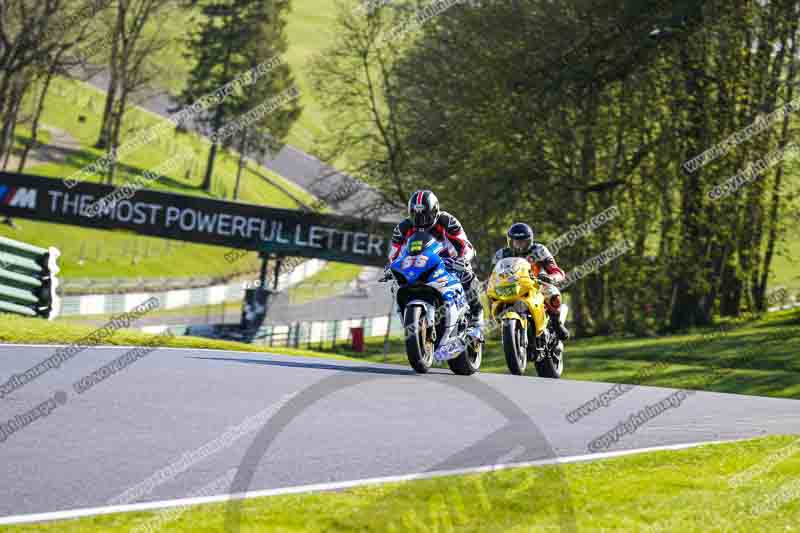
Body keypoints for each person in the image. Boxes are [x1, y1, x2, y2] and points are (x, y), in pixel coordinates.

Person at [386, 190, 484, 340]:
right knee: (395, 283)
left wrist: (463, 259)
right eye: (416, 216)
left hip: (448, 261)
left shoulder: (447, 221)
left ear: (435, 211)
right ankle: (409, 315)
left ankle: (477, 315)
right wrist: (390, 267)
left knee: (467, 274)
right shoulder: (403, 228)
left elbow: (465, 244)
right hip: (417, 264)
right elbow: (394, 254)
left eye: (425, 215)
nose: (421, 220)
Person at [491, 222, 570, 341]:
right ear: (510, 241)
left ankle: (556, 323)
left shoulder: (539, 250)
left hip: (536, 283)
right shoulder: (501, 254)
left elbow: (555, 269)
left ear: (529, 241)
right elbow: (493, 274)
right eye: (515, 241)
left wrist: (552, 277)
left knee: (554, 295)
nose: (518, 244)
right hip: (512, 285)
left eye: (522, 241)